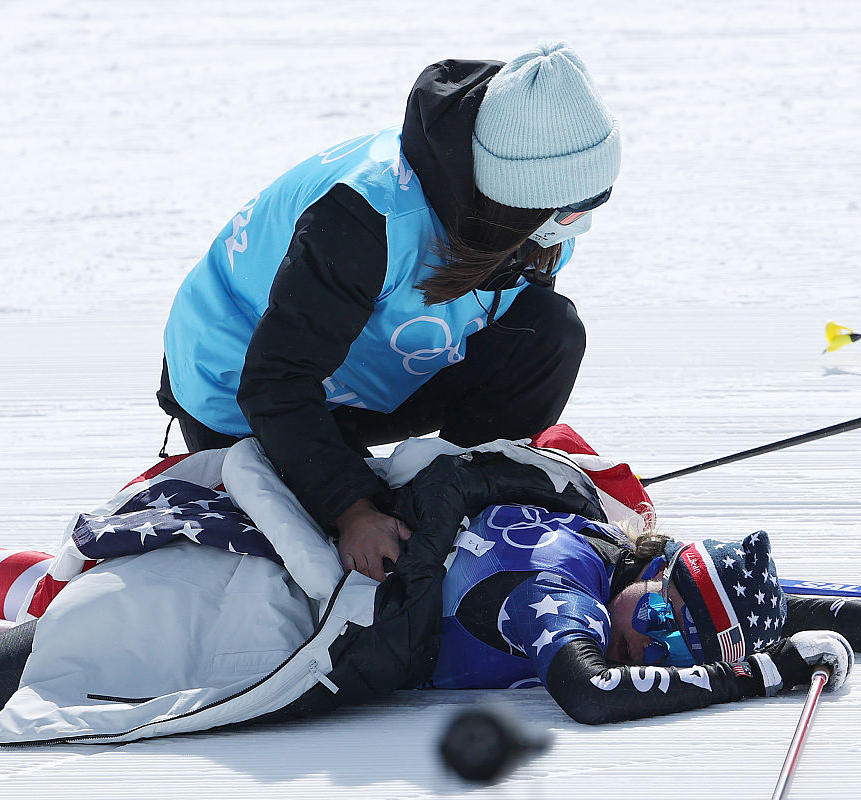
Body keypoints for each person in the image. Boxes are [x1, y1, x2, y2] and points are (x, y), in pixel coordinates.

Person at [0, 433, 861, 736]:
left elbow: (779, 599)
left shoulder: (615, 555)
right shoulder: (562, 588)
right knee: (1, 670)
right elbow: (593, 690)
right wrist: (756, 678)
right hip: (270, 605)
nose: (648, 631)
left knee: (78, 581)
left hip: (277, 546)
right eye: (664, 626)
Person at [156, 42, 620, 582]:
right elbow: (274, 382)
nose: (576, 225)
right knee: (310, 558)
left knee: (550, 330)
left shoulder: (536, 209)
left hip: (372, 366)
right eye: (565, 211)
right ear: (510, 198)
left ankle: (467, 499)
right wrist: (352, 509)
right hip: (243, 387)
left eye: (594, 203)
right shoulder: (363, 217)